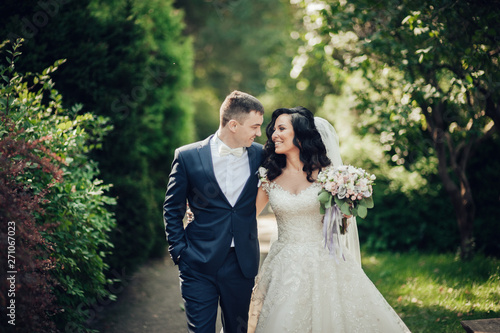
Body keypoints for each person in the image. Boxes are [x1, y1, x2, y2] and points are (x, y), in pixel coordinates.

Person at [248, 106, 411, 332]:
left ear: (301, 134)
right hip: (284, 263)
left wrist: (346, 210)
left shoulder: (328, 175)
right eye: (273, 130)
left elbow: (340, 225)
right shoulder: (269, 175)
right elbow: (246, 215)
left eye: (281, 128)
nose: (274, 135)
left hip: (325, 259)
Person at [163, 90, 265, 333]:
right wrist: (179, 251)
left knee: (237, 330)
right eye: (255, 126)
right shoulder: (187, 156)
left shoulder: (261, 155)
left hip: (241, 263)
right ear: (233, 124)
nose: (259, 133)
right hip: (197, 262)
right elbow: (172, 206)